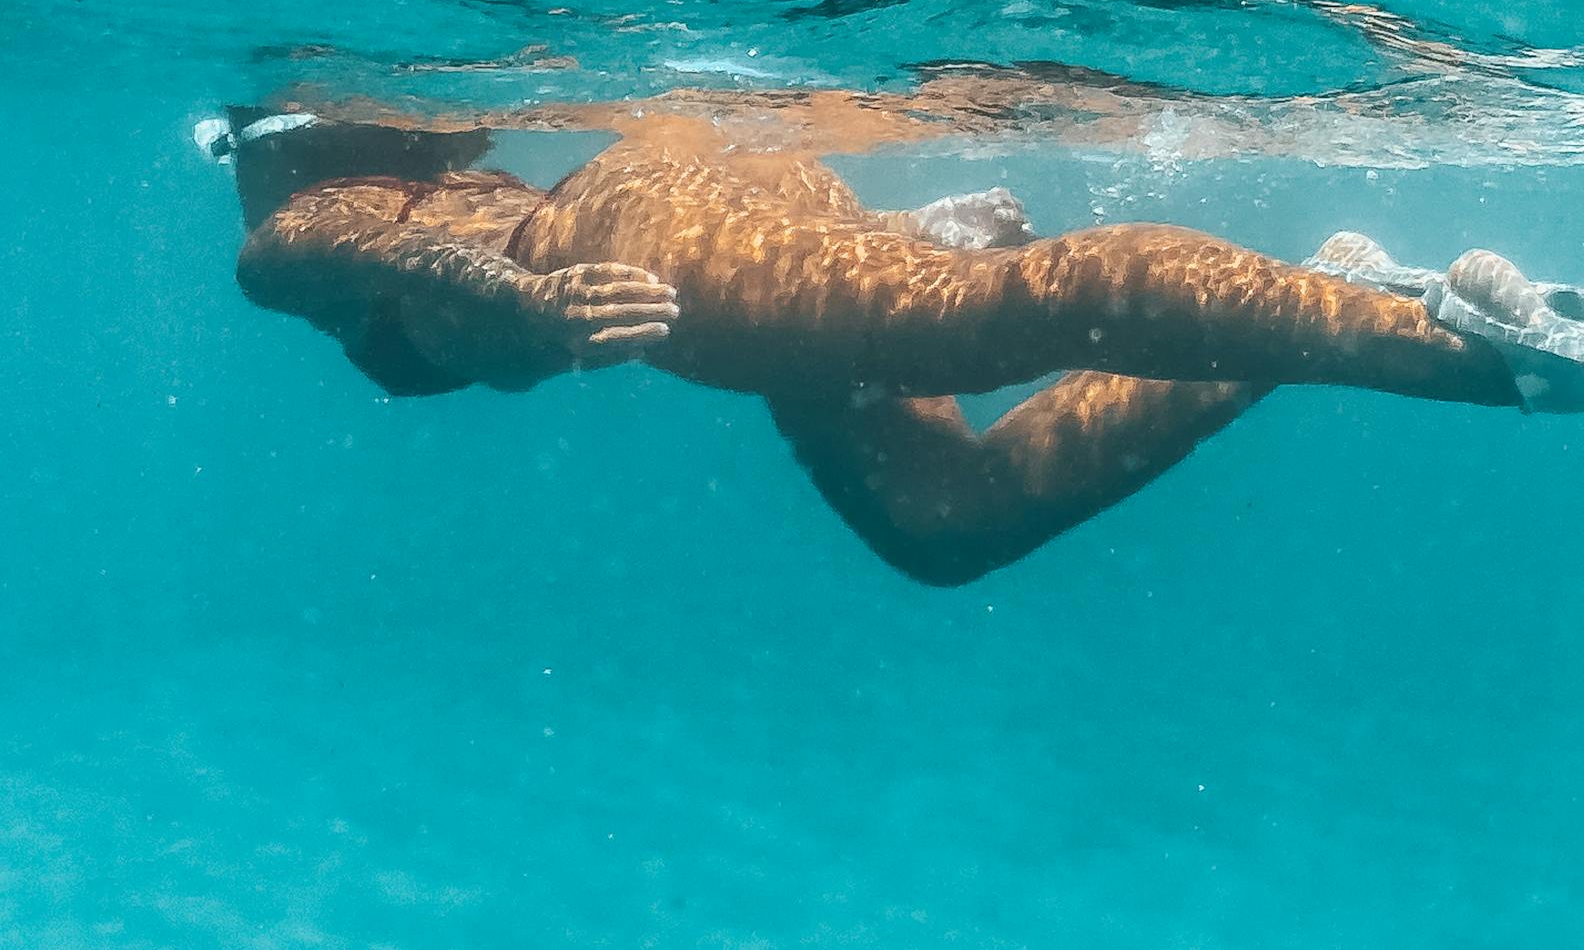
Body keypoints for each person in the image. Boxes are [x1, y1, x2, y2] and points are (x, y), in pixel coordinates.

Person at [210, 94, 1516, 587]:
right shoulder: (341, 206)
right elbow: (403, 256)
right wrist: (892, 222)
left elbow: (374, 258)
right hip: (677, 210)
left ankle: (1441, 346)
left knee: (967, 324)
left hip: (634, 229)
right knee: (942, 518)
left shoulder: (295, 236)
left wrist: (526, 311)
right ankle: (1318, 298)